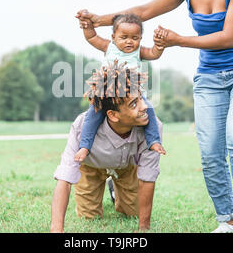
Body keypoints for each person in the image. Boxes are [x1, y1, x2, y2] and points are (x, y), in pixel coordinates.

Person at [76, 0, 233, 233]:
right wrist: (98, 20)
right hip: (209, 78)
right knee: (209, 151)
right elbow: (141, 13)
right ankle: (226, 220)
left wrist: (178, 41)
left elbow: (228, 37)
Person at [50, 61, 163, 233]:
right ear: (113, 115)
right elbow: (64, 178)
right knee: (89, 216)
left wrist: (143, 228)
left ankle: (114, 189)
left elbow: (148, 177)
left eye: (141, 98)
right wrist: (56, 230)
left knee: (133, 213)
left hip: (126, 167)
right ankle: (103, 185)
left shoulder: (151, 126)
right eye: (134, 104)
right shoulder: (82, 126)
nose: (145, 107)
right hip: (91, 167)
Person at [74, 13, 166, 163]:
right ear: (113, 37)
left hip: (133, 96)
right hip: (107, 94)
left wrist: (159, 46)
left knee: (149, 110)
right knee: (92, 115)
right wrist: (88, 27)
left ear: (140, 39)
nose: (129, 42)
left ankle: (154, 141)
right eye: (124, 37)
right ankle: (84, 146)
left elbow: (153, 53)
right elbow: (92, 38)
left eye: (134, 38)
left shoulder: (139, 51)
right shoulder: (109, 47)